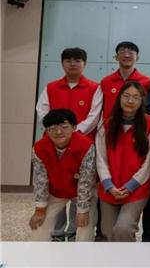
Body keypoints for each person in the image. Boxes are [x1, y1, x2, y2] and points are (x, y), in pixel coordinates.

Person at [35, 47, 102, 241]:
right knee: (56, 187)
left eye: (77, 60)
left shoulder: (94, 88)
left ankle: (73, 231)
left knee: (80, 187)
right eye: (68, 60)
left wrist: (74, 133)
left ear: (84, 63)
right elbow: (42, 112)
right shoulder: (51, 87)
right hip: (54, 145)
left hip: (82, 146)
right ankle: (57, 232)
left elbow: (94, 115)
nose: (73, 64)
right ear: (62, 63)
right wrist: (59, 132)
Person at [96, 81, 150, 242]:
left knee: (123, 229)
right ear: (119, 98)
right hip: (109, 188)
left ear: (142, 101)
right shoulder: (106, 125)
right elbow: (100, 158)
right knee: (108, 232)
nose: (130, 101)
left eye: (136, 97)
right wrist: (109, 185)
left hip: (137, 188)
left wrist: (132, 185)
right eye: (126, 96)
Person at [29, 109, 96, 242]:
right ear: (47, 131)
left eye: (64, 127)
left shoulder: (86, 146)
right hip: (55, 191)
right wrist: (40, 208)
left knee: (85, 223)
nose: (59, 132)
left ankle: (84, 253)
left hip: (81, 192)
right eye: (52, 128)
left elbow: (86, 180)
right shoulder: (39, 148)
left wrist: (82, 210)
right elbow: (40, 180)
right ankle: (39, 253)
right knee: (39, 224)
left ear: (74, 127)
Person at [100, 41, 150, 121]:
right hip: (110, 126)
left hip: (137, 126)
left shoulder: (147, 82)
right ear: (116, 57)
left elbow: (149, 108)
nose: (126, 55)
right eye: (122, 52)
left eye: (131, 53)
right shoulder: (106, 81)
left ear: (137, 57)